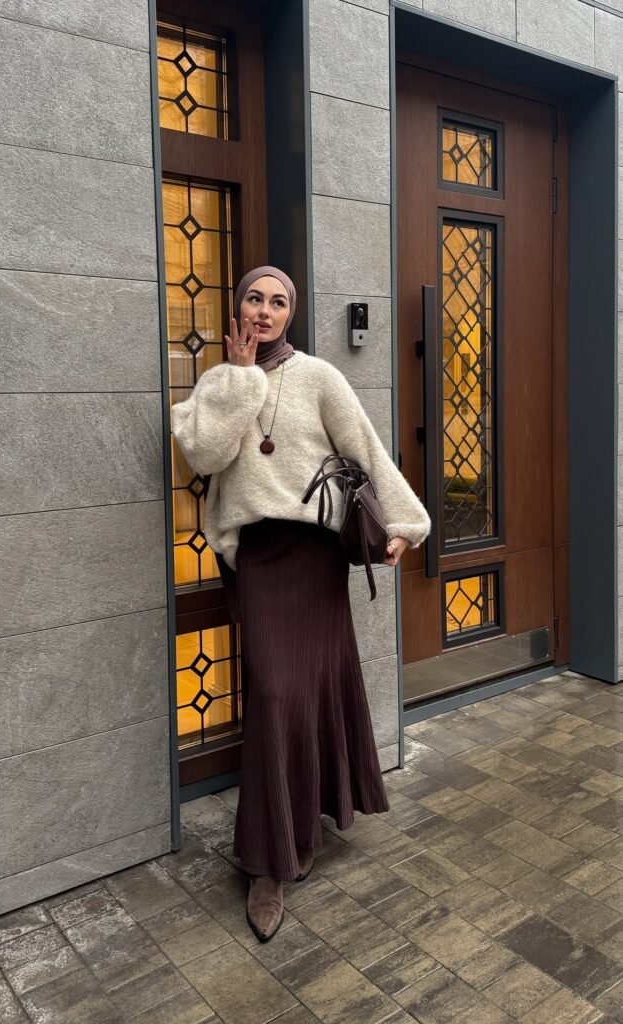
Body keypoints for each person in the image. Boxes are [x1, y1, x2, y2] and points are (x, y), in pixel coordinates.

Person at [172, 265, 431, 943]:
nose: (264, 311)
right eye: (254, 299)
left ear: (291, 312)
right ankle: (266, 863)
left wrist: (405, 523)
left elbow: (365, 449)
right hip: (256, 557)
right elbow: (202, 453)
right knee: (276, 694)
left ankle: (302, 825)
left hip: (315, 559)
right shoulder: (218, 382)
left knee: (307, 690)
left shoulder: (317, 376)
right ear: (237, 307)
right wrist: (236, 378)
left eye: (277, 302)